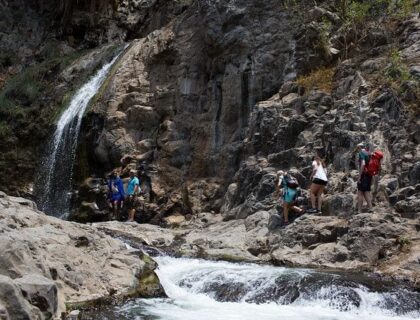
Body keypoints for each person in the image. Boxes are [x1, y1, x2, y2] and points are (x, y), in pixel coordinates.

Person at [356, 142, 373, 213]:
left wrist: (359, 176)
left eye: (357, 148)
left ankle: (359, 210)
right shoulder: (368, 153)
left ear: (360, 148)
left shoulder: (361, 153)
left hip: (364, 175)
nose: (357, 150)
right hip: (369, 175)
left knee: (360, 192)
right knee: (366, 192)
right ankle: (370, 208)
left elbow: (363, 164)